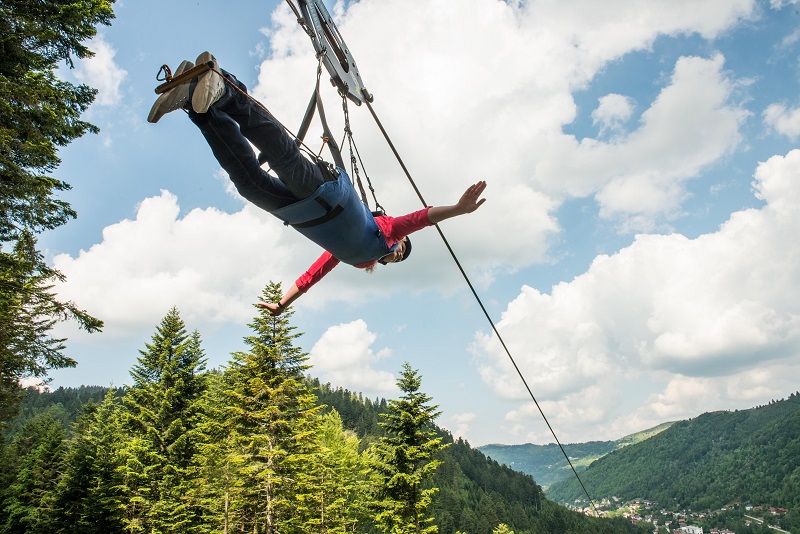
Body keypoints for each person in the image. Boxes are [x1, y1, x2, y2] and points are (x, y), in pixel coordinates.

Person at [149, 52, 487, 315]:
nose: (397, 254)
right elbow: (420, 219)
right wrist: (458, 209)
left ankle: (198, 106)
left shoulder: (356, 257)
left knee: (249, 184)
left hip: (300, 213)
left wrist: (283, 303)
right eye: (402, 251)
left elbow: (315, 273)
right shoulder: (387, 232)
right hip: (327, 195)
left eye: (398, 259)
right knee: (282, 154)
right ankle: (224, 89)